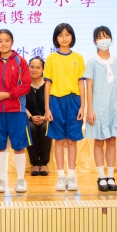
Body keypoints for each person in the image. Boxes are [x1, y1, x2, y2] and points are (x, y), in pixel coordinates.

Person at [84, 26, 117, 192]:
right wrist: (90, 109)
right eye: (100, 37)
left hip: (113, 106)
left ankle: (110, 175)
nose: (104, 40)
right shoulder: (92, 62)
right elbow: (89, 86)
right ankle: (101, 176)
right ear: (95, 41)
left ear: (111, 39)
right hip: (98, 106)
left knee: (112, 140)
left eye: (106, 36)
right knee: (99, 140)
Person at [0, 29, 31, 193]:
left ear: (12, 42)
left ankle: (20, 180)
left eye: (7, 40)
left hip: (17, 110)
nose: (3, 43)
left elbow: (26, 86)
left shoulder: (21, 61)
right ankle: (1, 180)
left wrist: (8, 94)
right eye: (0, 41)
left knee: (19, 146)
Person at [45, 23, 86, 192]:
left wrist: (83, 106)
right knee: (59, 141)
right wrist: (47, 108)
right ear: (56, 38)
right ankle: (61, 176)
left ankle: (72, 176)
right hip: (56, 101)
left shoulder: (78, 58)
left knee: (71, 140)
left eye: (67, 35)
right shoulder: (51, 58)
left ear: (72, 37)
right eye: (60, 35)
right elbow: (48, 84)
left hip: (73, 101)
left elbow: (81, 83)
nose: (64, 38)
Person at [25, 57, 51, 176]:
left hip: (46, 117)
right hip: (29, 117)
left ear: (43, 69)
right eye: (32, 67)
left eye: (38, 67)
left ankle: (44, 163)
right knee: (31, 128)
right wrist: (31, 117)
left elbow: (51, 103)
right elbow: (21, 104)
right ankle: (35, 163)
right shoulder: (24, 84)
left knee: (45, 128)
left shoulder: (47, 85)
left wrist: (45, 117)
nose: (34, 70)